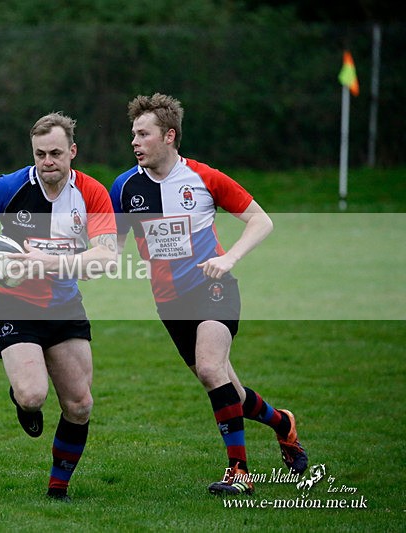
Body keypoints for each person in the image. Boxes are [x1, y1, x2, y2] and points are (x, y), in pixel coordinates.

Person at [109, 93, 307, 496]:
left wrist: (230, 257)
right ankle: (281, 423)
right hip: (169, 302)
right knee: (225, 388)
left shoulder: (203, 178)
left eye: (142, 134)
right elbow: (112, 243)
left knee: (211, 368)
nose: (134, 142)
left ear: (169, 136)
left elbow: (260, 220)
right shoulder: (125, 187)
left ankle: (239, 473)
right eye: (132, 134)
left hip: (214, 287)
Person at [0, 112, 117, 502]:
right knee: (32, 396)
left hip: (64, 306)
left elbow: (107, 257)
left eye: (56, 153)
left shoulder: (91, 194)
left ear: (72, 151)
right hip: (14, 304)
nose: (47, 162)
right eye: (40, 154)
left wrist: (48, 263)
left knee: (79, 404)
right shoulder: (11, 187)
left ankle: (58, 489)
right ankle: (22, 401)